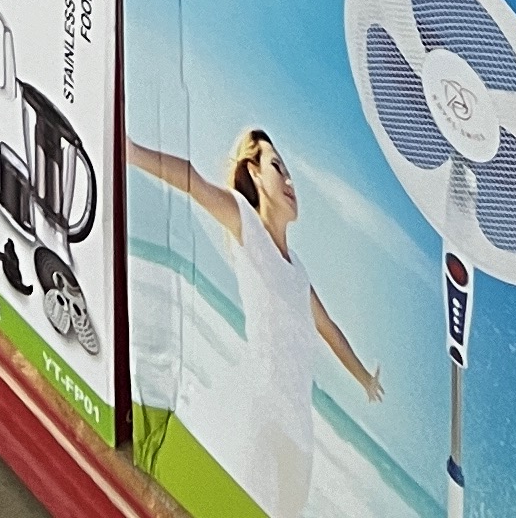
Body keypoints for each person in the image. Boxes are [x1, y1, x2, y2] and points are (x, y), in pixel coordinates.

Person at [130, 123, 382, 518]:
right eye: (277, 167)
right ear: (254, 173)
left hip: (300, 435)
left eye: (290, 173)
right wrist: (131, 152)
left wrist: (365, 379)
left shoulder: (298, 271)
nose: (290, 181)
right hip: (261, 413)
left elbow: (330, 331)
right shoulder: (246, 224)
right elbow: (192, 180)